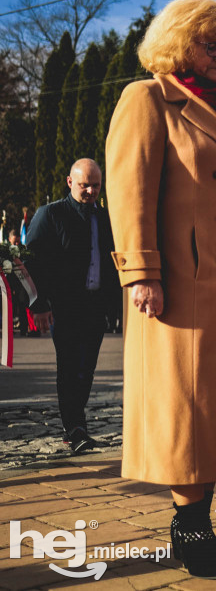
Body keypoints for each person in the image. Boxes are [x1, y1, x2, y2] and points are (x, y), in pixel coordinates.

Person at [105, 0, 216, 579]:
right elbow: (129, 191)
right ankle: (191, 528)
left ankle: (195, 522)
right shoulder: (148, 98)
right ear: (180, 43)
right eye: (212, 46)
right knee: (185, 416)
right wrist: (142, 272)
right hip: (177, 288)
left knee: (215, 415)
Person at [24, 158, 119, 453]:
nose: (90, 190)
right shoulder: (50, 215)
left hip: (95, 307)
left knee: (87, 368)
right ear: (69, 182)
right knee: (68, 367)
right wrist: (39, 304)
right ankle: (74, 428)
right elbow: (31, 262)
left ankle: (77, 426)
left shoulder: (105, 218)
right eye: (84, 185)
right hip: (64, 307)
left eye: (96, 185)